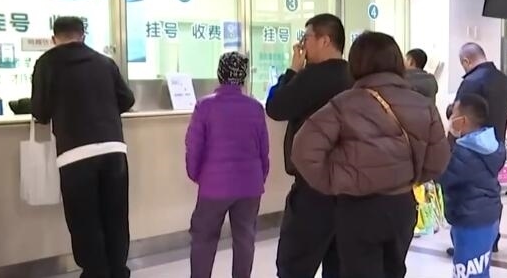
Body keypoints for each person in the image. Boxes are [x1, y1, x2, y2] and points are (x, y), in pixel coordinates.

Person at [291, 31, 451, 278]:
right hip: (402, 204)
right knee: (394, 271)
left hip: (358, 208)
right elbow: (438, 159)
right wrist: (410, 178)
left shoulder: (344, 104)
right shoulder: (422, 104)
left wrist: (334, 180)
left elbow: (303, 150)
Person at [31, 16, 135, 278]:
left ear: (54, 38)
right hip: (113, 149)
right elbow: (127, 99)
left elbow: (40, 112)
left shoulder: (46, 63)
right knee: (115, 216)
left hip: (75, 155)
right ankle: (118, 271)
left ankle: (95, 273)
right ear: (83, 36)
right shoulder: (105, 62)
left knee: (84, 220)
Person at [268, 14, 354, 278]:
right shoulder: (354, 76)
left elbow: (276, 107)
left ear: (325, 40)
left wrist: (292, 71)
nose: (302, 46)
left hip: (313, 188)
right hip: (349, 190)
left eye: (306, 38)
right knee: (339, 266)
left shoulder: (312, 76)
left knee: (294, 265)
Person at [185, 52, 269, 278]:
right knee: (245, 239)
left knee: (204, 238)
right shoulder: (255, 108)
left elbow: (194, 146)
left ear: (220, 74)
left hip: (214, 185)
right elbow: (264, 149)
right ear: (243, 77)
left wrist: (197, 174)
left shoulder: (205, 106)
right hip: (250, 185)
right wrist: (259, 177)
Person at [439, 94, 505, 278]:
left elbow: (442, 175)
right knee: (479, 269)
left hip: (471, 220)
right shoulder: (491, 144)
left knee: (467, 273)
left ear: (463, 121)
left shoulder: (464, 153)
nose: (451, 118)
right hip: (488, 215)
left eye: (454, 114)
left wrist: (448, 138)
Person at [453, 43, 507, 144]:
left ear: (466, 61)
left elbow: (457, 117)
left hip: (474, 148)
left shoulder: (470, 82)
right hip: (498, 146)